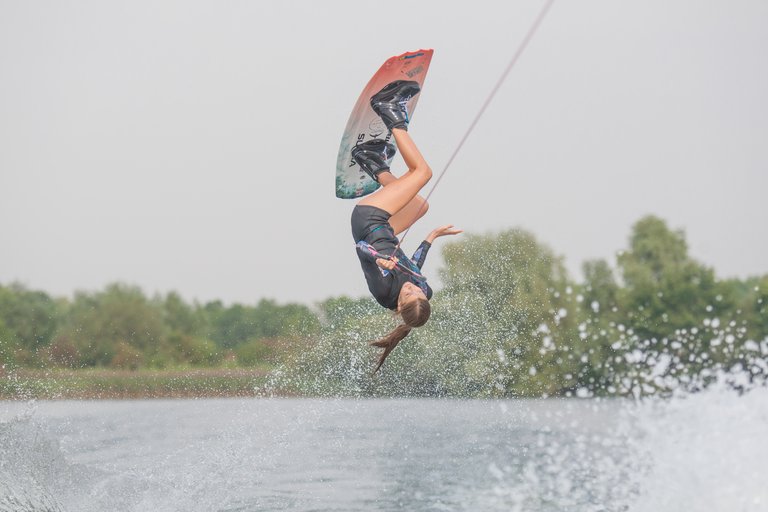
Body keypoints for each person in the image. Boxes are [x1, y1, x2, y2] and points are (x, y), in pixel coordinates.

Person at [350, 80, 462, 372]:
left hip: (367, 220)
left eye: (410, 294)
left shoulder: (384, 292)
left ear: (399, 307)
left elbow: (361, 249)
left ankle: (388, 108)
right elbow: (413, 268)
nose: (413, 288)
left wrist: (379, 259)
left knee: (422, 173)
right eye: (419, 292)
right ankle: (372, 161)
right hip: (386, 226)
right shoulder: (422, 288)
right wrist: (431, 237)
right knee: (420, 206)